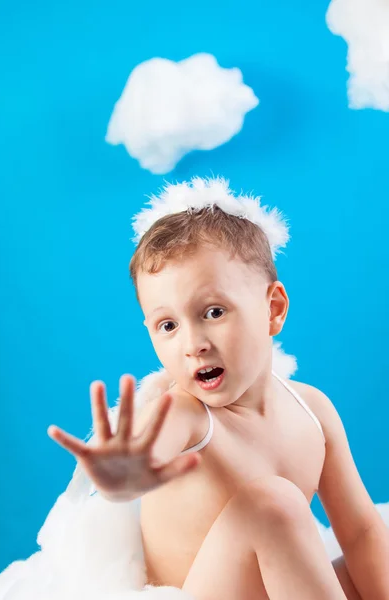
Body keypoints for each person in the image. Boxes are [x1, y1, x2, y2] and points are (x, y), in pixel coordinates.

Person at [47, 177, 389, 600]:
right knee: (273, 502)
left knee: (376, 547)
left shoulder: (312, 409)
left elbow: (359, 530)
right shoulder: (184, 414)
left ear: (273, 309)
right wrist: (126, 477)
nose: (193, 344)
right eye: (168, 325)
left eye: (213, 312)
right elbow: (152, 448)